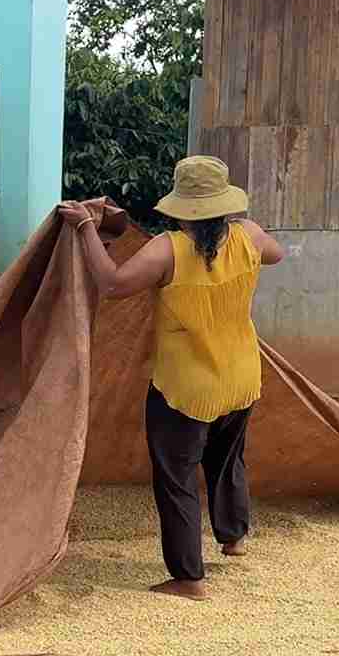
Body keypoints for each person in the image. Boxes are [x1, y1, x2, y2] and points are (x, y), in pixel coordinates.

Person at [58, 156, 286, 601]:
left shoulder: (168, 249)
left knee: (177, 477)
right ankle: (233, 536)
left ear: (181, 207)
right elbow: (275, 254)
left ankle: (189, 579)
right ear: (224, 204)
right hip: (241, 374)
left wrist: (85, 228)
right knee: (227, 458)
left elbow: (112, 284)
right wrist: (241, 238)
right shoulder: (249, 235)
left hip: (185, 386)